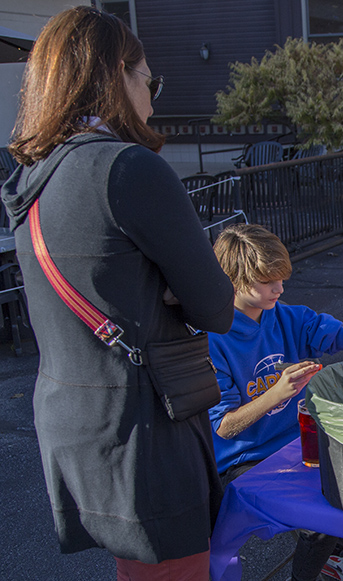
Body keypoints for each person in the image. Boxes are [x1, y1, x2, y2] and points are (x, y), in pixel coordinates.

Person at [0, 7, 235, 580]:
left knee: (135, 569)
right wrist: (172, 290)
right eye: (148, 80)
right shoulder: (130, 169)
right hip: (143, 426)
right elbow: (216, 307)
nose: (152, 96)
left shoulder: (36, 177)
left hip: (73, 416)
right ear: (115, 77)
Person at [208, 223, 343, 581]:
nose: (279, 289)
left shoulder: (289, 317)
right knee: (322, 519)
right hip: (244, 460)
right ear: (234, 279)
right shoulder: (213, 340)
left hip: (296, 444)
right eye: (268, 282)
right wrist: (277, 394)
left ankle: (337, 554)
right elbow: (224, 426)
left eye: (282, 278)